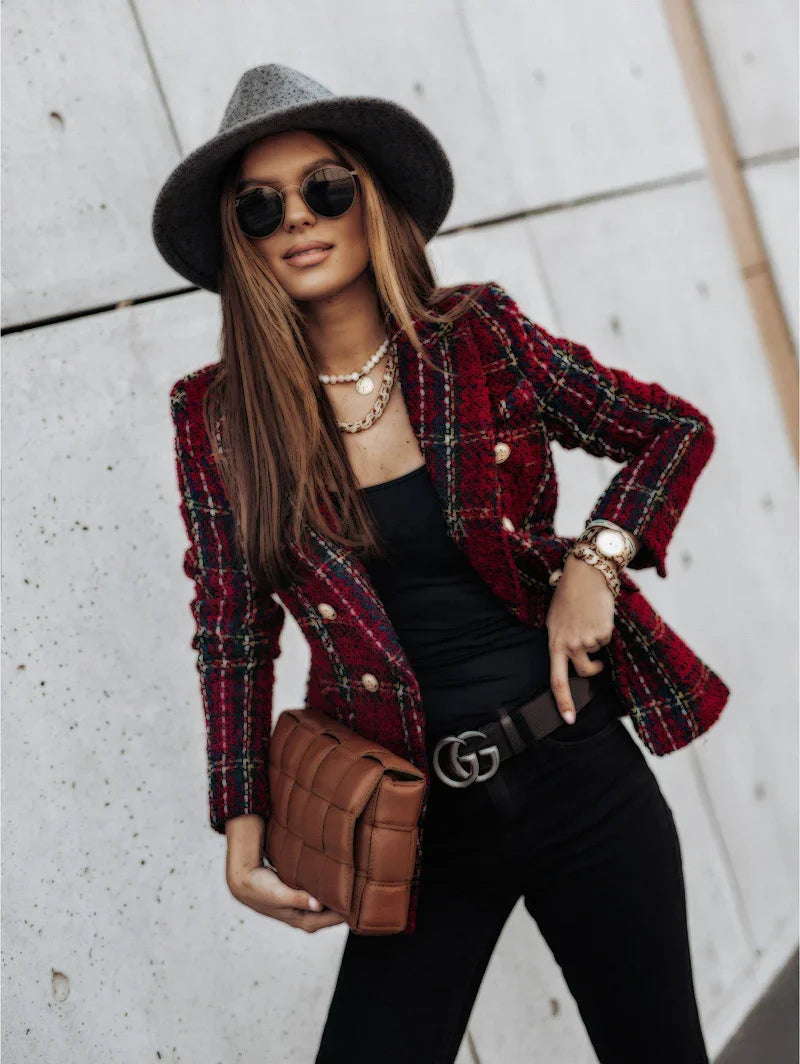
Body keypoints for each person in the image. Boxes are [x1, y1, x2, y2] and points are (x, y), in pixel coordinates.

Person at [152, 64, 730, 1064]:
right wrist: (240, 816)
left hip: (579, 775)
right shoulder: (217, 416)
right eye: (260, 206)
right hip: (412, 824)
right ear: (240, 239)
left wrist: (595, 561)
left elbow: (669, 431)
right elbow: (232, 624)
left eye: (324, 187)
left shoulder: (477, 337)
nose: (297, 217)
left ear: (370, 197)